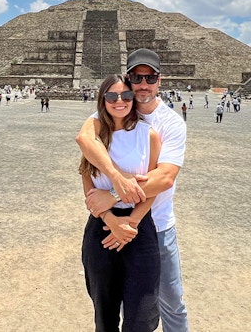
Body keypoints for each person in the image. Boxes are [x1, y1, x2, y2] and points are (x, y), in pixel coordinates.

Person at [77, 48, 190, 331]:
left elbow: (164, 179)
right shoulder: (110, 113)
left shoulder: (169, 124)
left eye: (149, 77)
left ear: (159, 80)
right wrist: (114, 190)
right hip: (107, 225)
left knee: (169, 302)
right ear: (128, 79)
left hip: (156, 224)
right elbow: (84, 142)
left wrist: (115, 197)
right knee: (113, 305)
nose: (143, 84)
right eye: (137, 78)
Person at [80, 74, 162, 332]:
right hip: (102, 227)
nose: (120, 101)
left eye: (126, 95)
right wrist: (111, 220)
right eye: (112, 96)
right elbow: (89, 184)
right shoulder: (94, 135)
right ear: (102, 99)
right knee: (104, 314)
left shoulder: (148, 134)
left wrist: (131, 223)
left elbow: (153, 187)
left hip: (139, 226)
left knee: (143, 315)